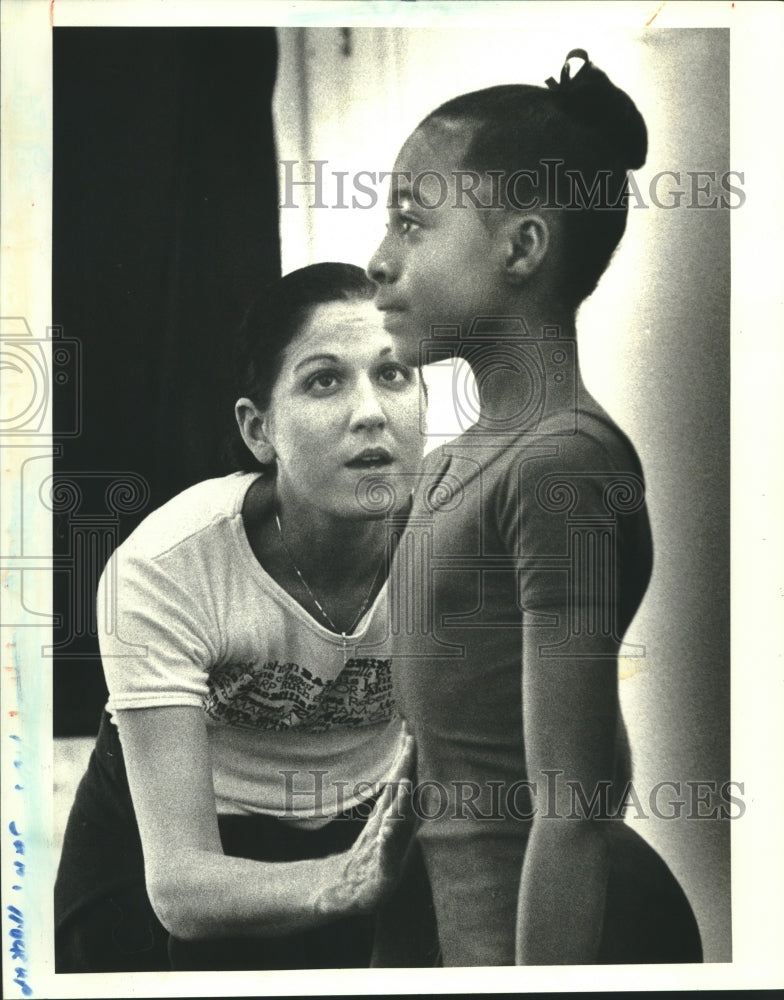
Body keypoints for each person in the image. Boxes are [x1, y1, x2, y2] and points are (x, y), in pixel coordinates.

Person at [366, 50, 703, 966]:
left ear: (521, 247)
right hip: (456, 931)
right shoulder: (451, 468)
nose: (379, 260)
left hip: (551, 942)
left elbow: (579, 801)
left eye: (411, 222)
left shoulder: (563, 468)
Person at [54, 262, 425, 972]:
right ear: (260, 430)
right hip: (174, 851)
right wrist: (344, 882)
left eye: (394, 374)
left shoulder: (460, 545)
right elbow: (181, 889)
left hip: (367, 833)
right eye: (325, 380)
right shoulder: (166, 565)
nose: (371, 411)